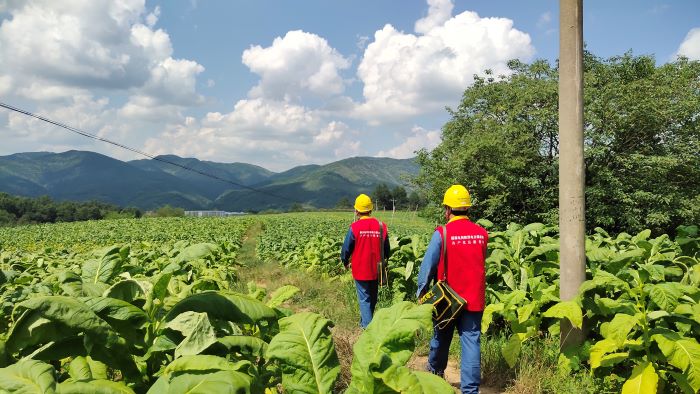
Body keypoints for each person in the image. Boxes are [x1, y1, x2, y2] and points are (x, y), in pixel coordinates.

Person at [416, 184, 488, 394]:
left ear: (447, 209)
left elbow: (427, 266)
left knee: (441, 336)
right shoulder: (482, 234)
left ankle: (436, 374)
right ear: (468, 209)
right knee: (472, 341)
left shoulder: (442, 233)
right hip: (474, 298)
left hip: (447, 299)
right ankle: (470, 390)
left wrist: (421, 293)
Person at [340, 193, 390, 329]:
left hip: (360, 269)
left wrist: (344, 261)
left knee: (364, 299)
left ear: (356, 211)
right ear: (371, 209)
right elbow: (387, 249)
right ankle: (365, 323)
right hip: (377, 269)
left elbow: (346, 248)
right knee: (372, 298)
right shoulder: (381, 226)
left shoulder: (354, 227)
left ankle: (368, 330)